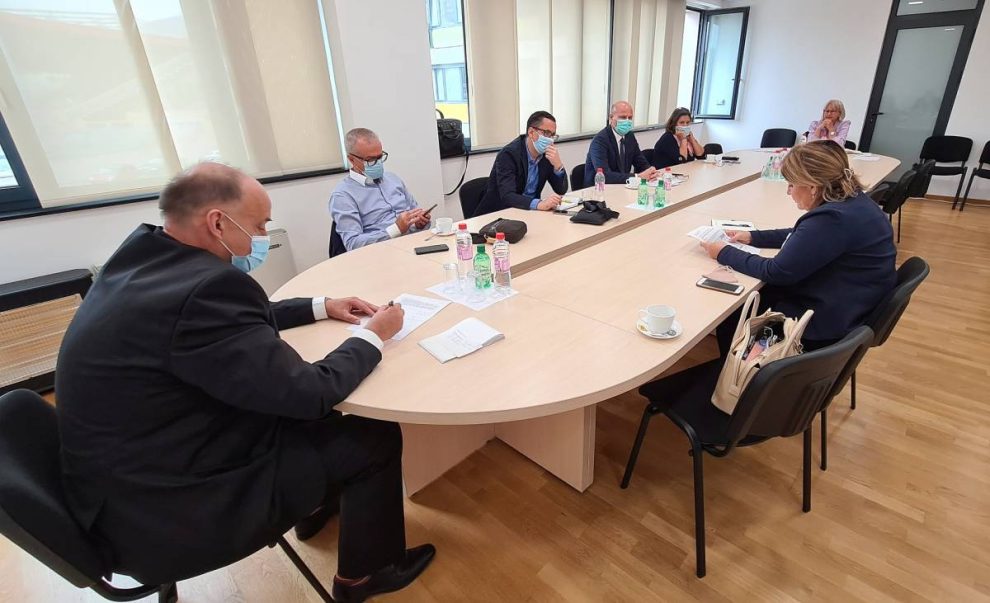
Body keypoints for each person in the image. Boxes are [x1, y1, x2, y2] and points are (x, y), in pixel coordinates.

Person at [56, 163, 434, 602]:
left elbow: (224, 320)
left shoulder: (145, 257)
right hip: (168, 508)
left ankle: (314, 507)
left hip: (124, 475)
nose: (263, 236)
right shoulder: (205, 290)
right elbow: (309, 394)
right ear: (218, 223)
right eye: (259, 225)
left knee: (310, 412)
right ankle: (366, 575)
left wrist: (319, 305)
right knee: (371, 436)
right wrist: (373, 335)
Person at [700, 140, 896, 354]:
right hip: (850, 304)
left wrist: (723, 252)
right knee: (752, 297)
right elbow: (804, 235)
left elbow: (776, 271)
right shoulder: (852, 202)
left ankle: (742, 367)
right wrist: (753, 237)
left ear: (812, 187)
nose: (788, 192)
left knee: (734, 315)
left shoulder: (832, 219)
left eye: (791, 185)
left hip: (820, 326)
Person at [330, 127, 432, 252]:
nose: (378, 163)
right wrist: (396, 229)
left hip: (412, 246)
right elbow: (353, 244)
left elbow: (414, 216)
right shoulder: (343, 195)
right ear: (352, 159)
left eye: (380, 157)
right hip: (380, 254)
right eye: (371, 160)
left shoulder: (393, 179)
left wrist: (419, 224)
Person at [474, 110, 569, 216]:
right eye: (546, 133)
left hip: (529, 213)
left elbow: (561, 190)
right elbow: (508, 196)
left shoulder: (546, 154)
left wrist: (558, 166)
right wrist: (539, 204)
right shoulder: (509, 154)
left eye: (552, 135)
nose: (550, 140)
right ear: (531, 132)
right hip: (499, 214)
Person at [583, 101, 657, 187]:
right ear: (611, 118)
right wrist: (638, 177)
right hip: (598, 189)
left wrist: (650, 172)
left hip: (622, 186)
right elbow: (605, 176)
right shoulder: (600, 141)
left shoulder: (629, 136)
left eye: (630, 118)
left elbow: (640, 162)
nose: (627, 121)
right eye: (623, 117)